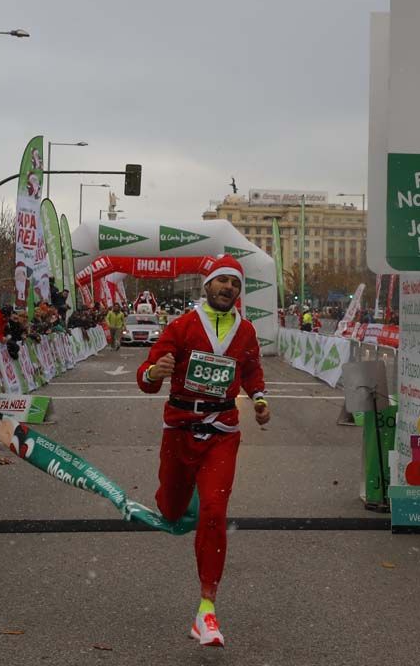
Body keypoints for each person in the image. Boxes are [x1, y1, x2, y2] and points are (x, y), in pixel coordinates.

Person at [136, 254, 270, 647]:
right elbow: (147, 375)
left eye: (236, 284)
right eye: (222, 281)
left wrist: (259, 400)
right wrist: (152, 374)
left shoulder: (245, 332)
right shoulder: (181, 326)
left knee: (214, 510)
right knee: (173, 510)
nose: (229, 288)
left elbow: (251, 372)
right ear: (207, 285)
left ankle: (207, 609)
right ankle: (179, 498)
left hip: (222, 430)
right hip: (179, 428)